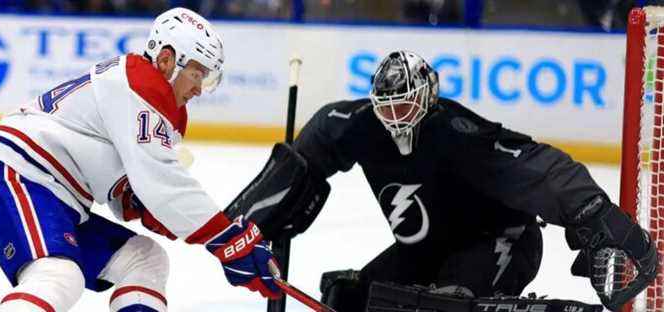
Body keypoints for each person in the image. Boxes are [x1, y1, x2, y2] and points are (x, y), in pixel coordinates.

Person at [279, 50, 657, 311]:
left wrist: (592, 210)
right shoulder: (362, 127)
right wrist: (263, 219)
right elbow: (316, 145)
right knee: (348, 297)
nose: (396, 116)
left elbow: (534, 167)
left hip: (500, 241)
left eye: (404, 103)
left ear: (427, 96)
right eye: (388, 105)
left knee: (444, 306)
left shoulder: (455, 131)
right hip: (428, 249)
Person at [0, 7, 280, 312]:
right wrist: (228, 238)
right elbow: (164, 185)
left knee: (145, 260)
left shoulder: (147, 96)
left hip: (51, 192)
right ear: (167, 60)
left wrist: (142, 203)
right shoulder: (143, 88)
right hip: (16, 177)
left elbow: (134, 189)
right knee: (58, 275)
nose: (199, 88)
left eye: (206, 79)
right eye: (197, 74)